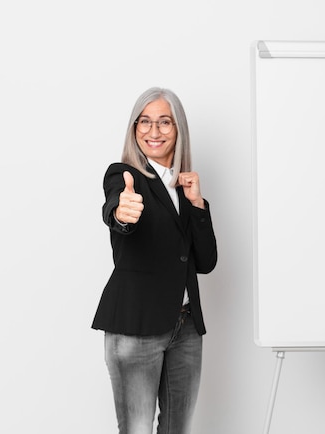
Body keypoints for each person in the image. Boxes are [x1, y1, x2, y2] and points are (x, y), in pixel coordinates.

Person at [92, 87, 218, 434]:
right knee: (137, 429)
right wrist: (121, 213)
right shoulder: (123, 175)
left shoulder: (184, 187)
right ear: (134, 130)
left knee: (178, 429)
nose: (154, 131)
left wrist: (197, 204)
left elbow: (206, 262)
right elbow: (117, 207)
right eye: (144, 122)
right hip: (136, 327)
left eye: (165, 122)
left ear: (178, 130)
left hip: (186, 327)